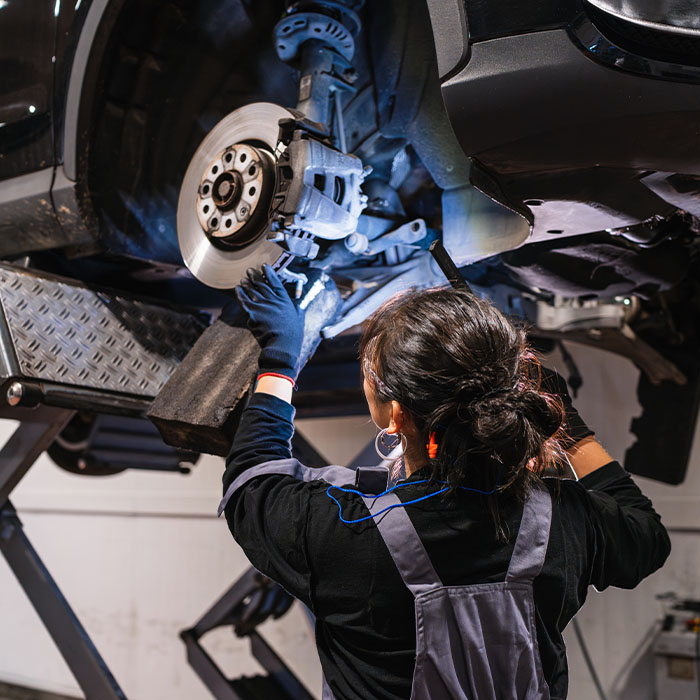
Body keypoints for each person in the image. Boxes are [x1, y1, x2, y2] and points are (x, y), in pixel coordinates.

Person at [220, 264, 671, 700]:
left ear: (394, 415)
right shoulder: (564, 520)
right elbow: (646, 538)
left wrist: (280, 360)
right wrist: (571, 432)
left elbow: (251, 480)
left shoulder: (345, 534)